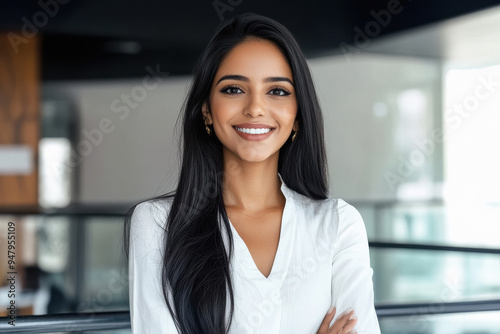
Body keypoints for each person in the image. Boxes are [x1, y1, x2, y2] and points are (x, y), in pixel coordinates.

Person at [124, 13, 380, 334]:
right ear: (206, 110)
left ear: (298, 116)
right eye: (233, 89)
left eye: (277, 91)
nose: (255, 108)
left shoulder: (338, 225)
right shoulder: (157, 225)